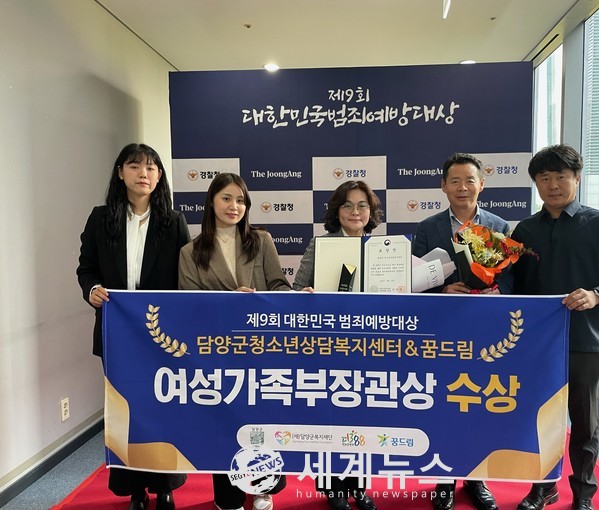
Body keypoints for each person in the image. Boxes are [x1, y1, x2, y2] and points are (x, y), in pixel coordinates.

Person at [507, 145, 599, 510]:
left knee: (584, 423)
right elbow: (515, 282)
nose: (553, 185)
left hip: (584, 339)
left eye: (561, 177)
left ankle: (583, 494)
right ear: (535, 183)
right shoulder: (525, 230)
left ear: (577, 178)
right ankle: (542, 488)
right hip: (536, 342)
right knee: (539, 420)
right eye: (544, 178)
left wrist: (597, 295)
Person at [77, 143, 190, 510]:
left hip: (161, 335)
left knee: (162, 409)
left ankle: (164, 488)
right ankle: (135, 490)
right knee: (124, 412)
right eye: (135, 166)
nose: (144, 173)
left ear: (159, 176)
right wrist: (92, 289)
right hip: (117, 333)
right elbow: (86, 268)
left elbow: (185, 277)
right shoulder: (100, 219)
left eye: (152, 167)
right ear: (120, 173)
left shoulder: (173, 222)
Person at [178, 172, 290, 510]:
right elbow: (188, 304)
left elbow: (278, 285)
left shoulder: (262, 240)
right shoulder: (191, 251)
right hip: (217, 355)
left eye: (240, 200)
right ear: (211, 202)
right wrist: (230, 301)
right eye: (226, 198)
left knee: (261, 424)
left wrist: (297, 297)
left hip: (260, 351)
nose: (234, 206)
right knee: (224, 426)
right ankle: (228, 497)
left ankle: (262, 489)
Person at [412, 153, 503, 510]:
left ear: (482, 184)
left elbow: (514, 278)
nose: (462, 187)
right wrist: (442, 289)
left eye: (469, 180)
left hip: (484, 332)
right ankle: (444, 479)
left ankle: (477, 479)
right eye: (455, 181)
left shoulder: (499, 225)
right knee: (444, 403)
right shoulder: (428, 227)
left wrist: (498, 290)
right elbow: (413, 280)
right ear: (443, 186)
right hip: (443, 330)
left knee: (478, 402)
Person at [293, 180, 381, 510]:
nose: (355, 212)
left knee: (364, 418)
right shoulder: (321, 244)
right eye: (348, 205)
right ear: (337, 210)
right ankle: (333, 488)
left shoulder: (382, 247)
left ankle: (359, 486)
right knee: (330, 418)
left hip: (369, 348)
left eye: (362, 205)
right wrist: (306, 295)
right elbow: (297, 290)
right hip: (327, 346)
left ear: (371, 211)